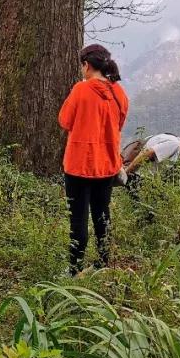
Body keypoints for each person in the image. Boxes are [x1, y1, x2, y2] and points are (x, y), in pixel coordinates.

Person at [58, 44, 129, 274]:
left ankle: (75, 270)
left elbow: (65, 121)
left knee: (78, 219)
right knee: (102, 214)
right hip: (107, 166)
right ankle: (103, 263)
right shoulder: (119, 93)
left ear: (86, 65)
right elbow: (119, 124)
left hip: (79, 165)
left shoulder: (81, 90)